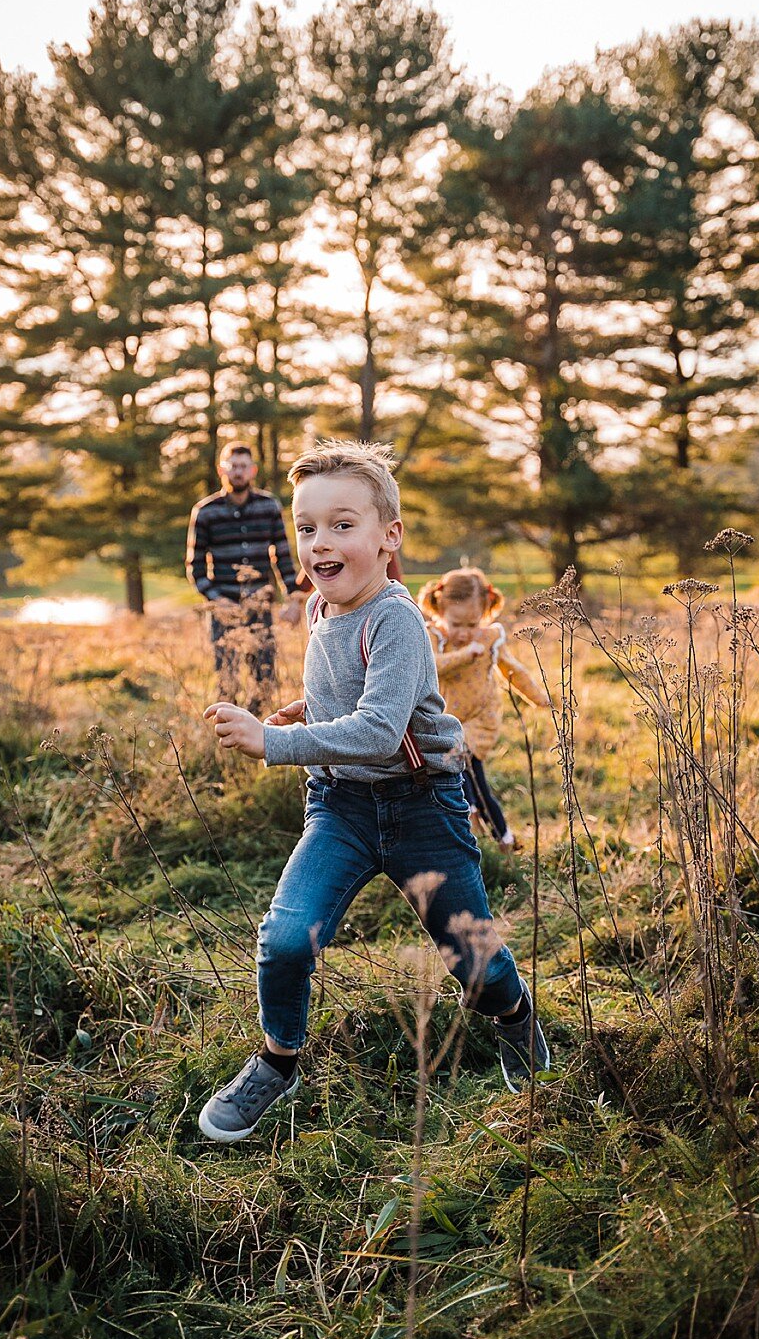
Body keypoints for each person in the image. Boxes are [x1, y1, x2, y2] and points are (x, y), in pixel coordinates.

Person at [198, 440, 551, 1142]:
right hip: (341, 809)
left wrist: (274, 744)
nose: (319, 544)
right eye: (306, 528)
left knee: (472, 959)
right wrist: (307, 708)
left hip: (423, 807)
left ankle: (514, 1018)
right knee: (286, 939)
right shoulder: (324, 610)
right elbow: (346, 692)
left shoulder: (398, 619)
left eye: (342, 525)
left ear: (389, 537)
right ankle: (277, 1060)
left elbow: (383, 731)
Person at [418, 568, 549, 847]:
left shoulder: (489, 639)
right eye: (457, 624)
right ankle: (502, 837)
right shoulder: (434, 638)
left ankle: (474, 820)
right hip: (446, 721)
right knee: (472, 779)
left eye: (472, 624)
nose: (465, 633)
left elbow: (512, 670)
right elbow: (430, 668)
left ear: (485, 613)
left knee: (463, 769)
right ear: (440, 609)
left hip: (480, 719)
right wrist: (464, 655)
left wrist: (540, 697)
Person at [186, 442, 305, 714]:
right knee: (227, 681)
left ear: (252, 471)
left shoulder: (269, 507)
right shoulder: (205, 512)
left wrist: (294, 599)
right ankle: (227, 740)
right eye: (233, 466)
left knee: (264, 678)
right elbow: (194, 567)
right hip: (224, 610)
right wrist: (217, 600)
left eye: (243, 467)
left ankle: (257, 736)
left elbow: (284, 557)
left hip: (260, 606)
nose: (238, 472)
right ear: (222, 470)